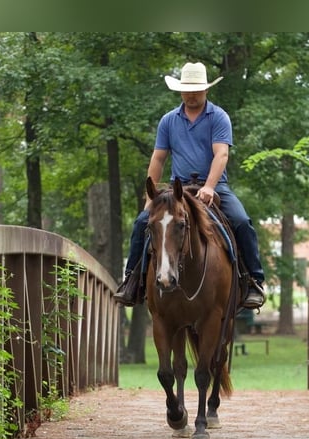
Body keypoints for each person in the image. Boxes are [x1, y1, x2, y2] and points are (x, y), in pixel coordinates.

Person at [114, 62, 266, 309]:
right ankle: (132, 280)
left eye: (196, 89)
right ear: (181, 91)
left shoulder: (218, 117)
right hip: (178, 189)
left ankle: (253, 282)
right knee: (143, 222)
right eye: (187, 89)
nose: (191, 94)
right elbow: (158, 158)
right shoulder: (168, 121)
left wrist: (209, 186)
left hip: (215, 187)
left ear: (206, 90)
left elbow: (221, 155)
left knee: (241, 221)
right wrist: (149, 198)